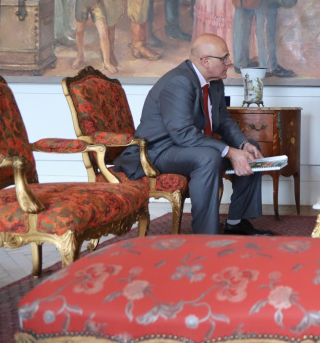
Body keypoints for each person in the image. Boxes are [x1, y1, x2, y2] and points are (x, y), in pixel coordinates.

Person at [115, 34, 273, 236]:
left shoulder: (214, 82)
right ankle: (205, 236)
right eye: (224, 58)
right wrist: (229, 152)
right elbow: (182, 134)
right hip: (157, 151)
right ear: (205, 61)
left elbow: (223, 121)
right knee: (208, 157)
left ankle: (237, 222)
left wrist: (242, 145)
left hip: (183, 148)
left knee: (251, 150)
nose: (229, 63)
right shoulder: (179, 81)